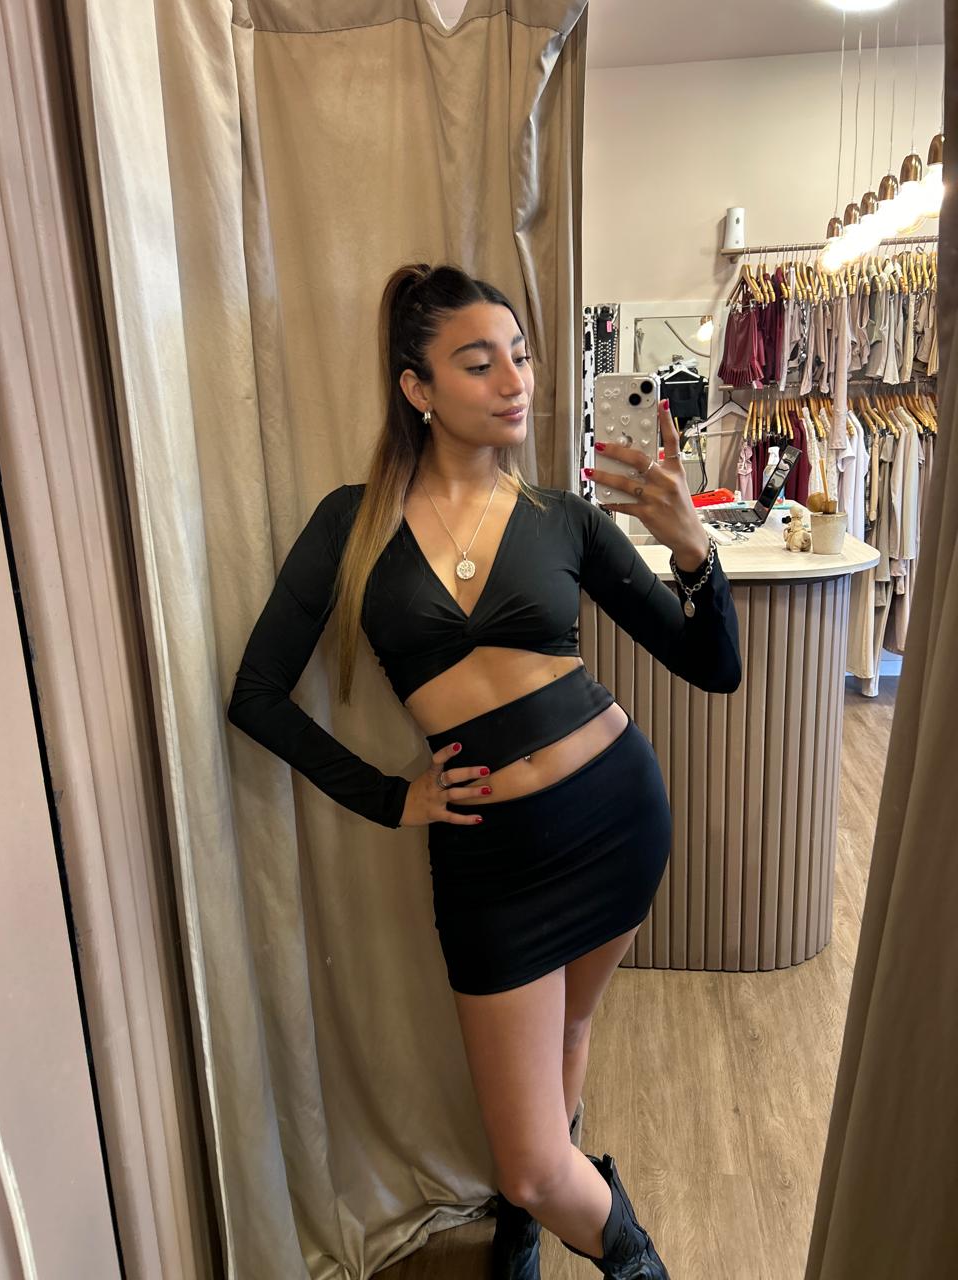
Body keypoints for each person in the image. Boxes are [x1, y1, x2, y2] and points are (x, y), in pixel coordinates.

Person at [226, 263, 742, 1280]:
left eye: (520, 355)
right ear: (416, 386)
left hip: (616, 815)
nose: (515, 381)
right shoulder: (350, 525)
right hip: (489, 859)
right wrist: (392, 796)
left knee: (574, 1027)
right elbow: (256, 694)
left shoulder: (564, 517)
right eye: (479, 362)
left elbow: (712, 665)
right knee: (534, 1156)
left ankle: (526, 1218)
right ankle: (602, 1237)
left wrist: (693, 552)